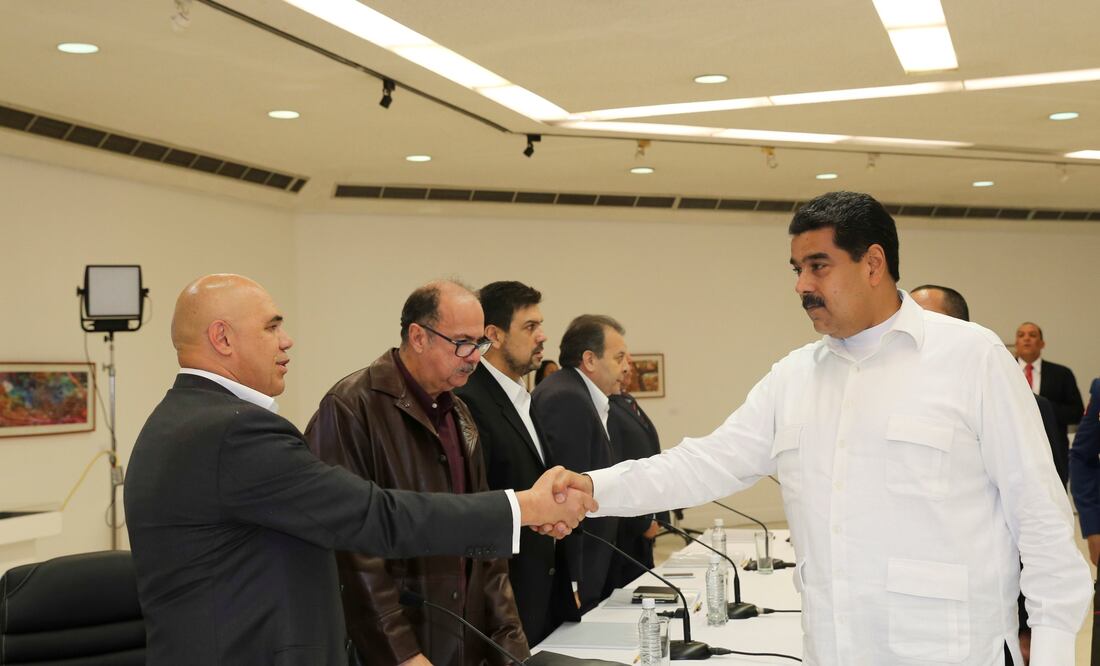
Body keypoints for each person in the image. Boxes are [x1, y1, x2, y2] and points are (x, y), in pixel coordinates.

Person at [574, 192, 1091, 665]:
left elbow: (1041, 521)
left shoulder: (972, 358)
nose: (802, 285)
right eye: (797, 269)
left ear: (872, 263)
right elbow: (705, 464)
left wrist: (1050, 653)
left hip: (952, 651)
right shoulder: (795, 377)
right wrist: (591, 489)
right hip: (835, 650)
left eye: (818, 266)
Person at [124, 274, 594, 666]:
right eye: (272, 327)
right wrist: (522, 507)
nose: (287, 340)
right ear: (223, 338)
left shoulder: (181, 420)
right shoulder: (234, 432)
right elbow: (374, 517)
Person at [304, 281, 526, 666]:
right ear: (418, 336)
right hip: (393, 650)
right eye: (462, 343)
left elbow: (487, 543)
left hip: (463, 643)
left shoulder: (460, 414)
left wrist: (511, 646)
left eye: (480, 344)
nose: (474, 357)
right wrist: (403, 654)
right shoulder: (350, 408)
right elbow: (353, 554)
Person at [454, 281, 580, 645]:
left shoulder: (523, 397)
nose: (542, 336)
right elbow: (478, 501)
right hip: (506, 600)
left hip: (545, 594)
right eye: (530, 327)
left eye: (540, 325)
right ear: (493, 335)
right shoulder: (469, 401)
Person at [532, 315, 629, 611]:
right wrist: (573, 581)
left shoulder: (579, 394)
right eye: (619, 357)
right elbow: (564, 494)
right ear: (589, 359)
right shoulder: (566, 399)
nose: (626, 367)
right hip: (578, 573)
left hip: (593, 565)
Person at [605, 356, 666, 588]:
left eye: (629, 362)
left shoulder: (627, 401)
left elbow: (650, 453)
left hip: (645, 509)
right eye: (621, 360)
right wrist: (643, 522)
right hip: (629, 522)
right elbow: (621, 463)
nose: (627, 367)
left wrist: (658, 516)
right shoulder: (608, 407)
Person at [1015, 321, 1083, 483]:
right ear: (1016, 343)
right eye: (1021, 335)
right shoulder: (1002, 372)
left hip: (1053, 450)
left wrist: (1042, 407)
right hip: (1014, 449)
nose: (1026, 339)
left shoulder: (1062, 374)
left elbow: (1076, 413)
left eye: (1032, 335)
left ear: (1042, 343)